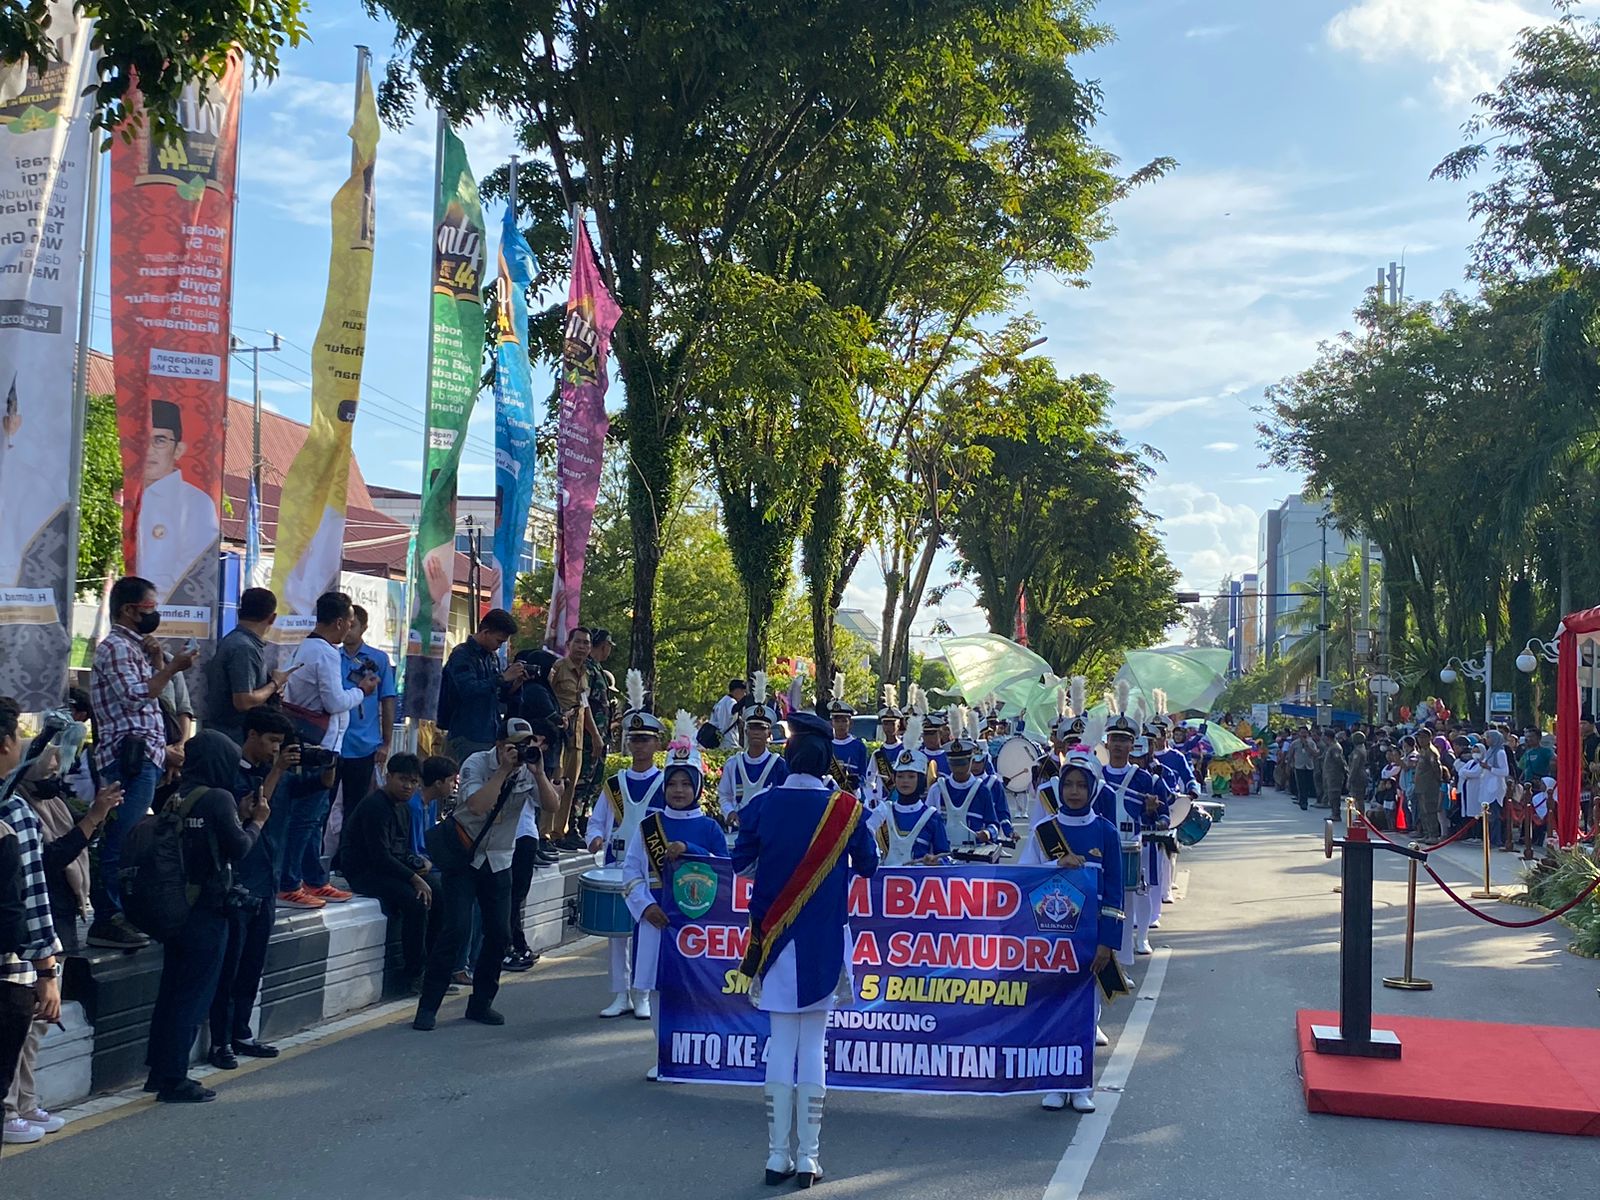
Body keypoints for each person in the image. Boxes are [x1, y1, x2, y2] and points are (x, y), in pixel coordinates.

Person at [732, 710, 878, 1188]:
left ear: (787, 755)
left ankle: (776, 1157)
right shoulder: (848, 809)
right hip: (823, 940)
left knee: (780, 1043)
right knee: (814, 1045)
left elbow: (741, 865)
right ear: (827, 759)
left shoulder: (761, 805)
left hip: (772, 940)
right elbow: (869, 866)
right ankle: (810, 1158)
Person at [143, 731, 269, 1103]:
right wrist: (257, 821)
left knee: (170, 992)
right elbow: (240, 848)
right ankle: (175, 1079)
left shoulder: (175, 795)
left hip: (174, 906)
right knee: (194, 996)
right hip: (207, 910)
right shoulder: (218, 797)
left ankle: (158, 1070)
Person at [413, 717, 559, 1032]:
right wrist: (504, 771)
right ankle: (428, 1006)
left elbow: (552, 805)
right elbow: (477, 805)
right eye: (515, 745)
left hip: (500, 860)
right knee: (457, 929)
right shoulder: (476, 763)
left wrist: (539, 772)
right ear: (499, 744)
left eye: (526, 745)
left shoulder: (529, 769)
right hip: (465, 857)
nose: (521, 751)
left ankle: (481, 1004)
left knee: (499, 934)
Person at [87, 575, 197, 948]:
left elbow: (154, 700)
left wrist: (156, 659)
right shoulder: (115, 647)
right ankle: (107, 916)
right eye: (150, 608)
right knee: (121, 837)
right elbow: (137, 697)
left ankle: (125, 912)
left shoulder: (135, 648)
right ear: (129, 611)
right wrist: (170, 667)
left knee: (135, 839)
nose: (156, 614)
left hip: (146, 756)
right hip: (126, 759)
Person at [1019, 748, 1124, 1113]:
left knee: (1084, 1012)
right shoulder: (1044, 831)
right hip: (1050, 938)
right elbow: (1023, 880)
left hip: (1089, 939)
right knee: (1052, 1009)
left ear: (1093, 789)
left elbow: (1114, 892)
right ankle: (1054, 1083)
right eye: (1069, 784)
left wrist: (1108, 943)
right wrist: (1053, 864)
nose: (1075, 791)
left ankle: (1080, 1085)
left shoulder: (1106, 833)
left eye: (1082, 785)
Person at [620, 730, 728, 1080]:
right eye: (673, 783)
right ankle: (664, 1055)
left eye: (686, 783)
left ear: (697, 787)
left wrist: (691, 851)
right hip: (657, 918)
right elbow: (631, 871)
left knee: (695, 989)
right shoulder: (649, 826)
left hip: (697, 922)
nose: (678, 790)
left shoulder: (710, 827)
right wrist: (644, 906)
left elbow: (725, 871)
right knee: (658, 988)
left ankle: (694, 1053)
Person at [207, 707, 305, 1069]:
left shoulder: (274, 772)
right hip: (237, 883)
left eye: (281, 744)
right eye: (272, 742)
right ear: (251, 736)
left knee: (252, 965)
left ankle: (242, 1032)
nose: (276, 750)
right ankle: (219, 1041)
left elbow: (305, 792)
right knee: (229, 967)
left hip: (266, 881)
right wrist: (277, 771)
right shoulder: (229, 772)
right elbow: (247, 813)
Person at [278, 591, 375, 908]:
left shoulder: (308, 646)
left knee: (313, 817)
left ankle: (313, 879)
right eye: (350, 621)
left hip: (313, 742)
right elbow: (334, 702)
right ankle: (290, 883)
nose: (350, 627)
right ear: (339, 622)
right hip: (319, 746)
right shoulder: (326, 653)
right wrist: (360, 691)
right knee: (306, 817)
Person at [0, 698, 63, 1148]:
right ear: (5, 744)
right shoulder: (16, 812)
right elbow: (32, 896)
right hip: (9, 967)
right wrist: (47, 970)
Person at [587, 696, 666, 1018]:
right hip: (617, 866)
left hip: (651, 870)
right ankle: (620, 994)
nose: (638, 745)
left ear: (657, 742)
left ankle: (643, 992)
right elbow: (597, 820)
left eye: (645, 739)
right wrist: (594, 837)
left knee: (645, 933)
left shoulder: (665, 783)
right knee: (617, 935)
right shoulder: (614, 784)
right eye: (634, 739)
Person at [342, 753, 435, 991]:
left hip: (388, 868)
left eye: (414, 782)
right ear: (388, 776)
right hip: (365, 872)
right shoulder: (375, 806)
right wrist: (414, 878)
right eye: (403, 779)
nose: (408, 786)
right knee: (416, 902)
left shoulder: (403, 808)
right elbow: (379, 856)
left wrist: (419, 864)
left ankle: (434, 967)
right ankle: (413, 973)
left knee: (440, 892)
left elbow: (400, 850)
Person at [331, 604, 399, 864]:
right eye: (346, 624)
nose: (349, 630)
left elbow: (388, 699)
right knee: (324, 803)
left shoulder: (377, 659)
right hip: (333, 741)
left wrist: (386, 742)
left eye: (354, 625)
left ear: (364, 628)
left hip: (363, 744)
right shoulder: (331, 656)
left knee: (356, 805)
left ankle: (346, 857)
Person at [136, 399, 220, 602]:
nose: (149, 449)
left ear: (179, 449)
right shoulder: (127, 497)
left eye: (160, 440)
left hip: (172, 615)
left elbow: (191, 574)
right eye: (142, 440)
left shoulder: (197, 503)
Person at [1099, 715, 1169, 956]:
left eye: (1124, 740)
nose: (1118, 745)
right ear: (1107, 743)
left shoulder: (1144, 779)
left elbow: (1163, 816)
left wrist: (1153, 813)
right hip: (1103, 848)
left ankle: (1126, 956)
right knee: (1104, 904)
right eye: (1114, 739)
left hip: (1132, 848)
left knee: (1131, 902)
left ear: (1132, 745)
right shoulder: (1096, 776)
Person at [204, 587, 296, 745]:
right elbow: (243, 701)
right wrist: (275, 684)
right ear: (272, 618)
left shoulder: (237, 641)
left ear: (240, 612)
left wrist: (268, 686)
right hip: (234, 737)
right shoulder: (244, 647)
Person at [438, 608, 525, 767]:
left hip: (490, 732)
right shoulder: (462, 655)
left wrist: (515, 684)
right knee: (470, 782)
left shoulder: (492, 658)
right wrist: (502, 678)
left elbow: (498, 696)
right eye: (499, 641)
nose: (499, 646)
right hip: (467, 732)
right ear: (485, 632)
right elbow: (468, 690)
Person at [548, 627, 605, 846]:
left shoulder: (586, 674)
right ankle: (544, 835)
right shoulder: (558, 668)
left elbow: (585, 706)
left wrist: (596, 736)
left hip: (578, 739)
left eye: (586, 644)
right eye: (578, 642)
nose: (582, 647)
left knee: (570, 788)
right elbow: (546, 697)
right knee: (555, 784)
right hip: (558, 737)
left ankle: (559, 835)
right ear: (568, 644)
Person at [717, 677, 788, 828]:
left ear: (769, 733)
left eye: (762, 728)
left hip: (770, 830)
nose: (757, 732)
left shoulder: (779, 765)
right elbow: (724, 795)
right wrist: (729, 812)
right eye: (753, 727)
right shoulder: (733, 764)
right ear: (746, 730)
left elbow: (786, 799)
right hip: (740, 831)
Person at [868, 747, 949, 866]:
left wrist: (935, 861)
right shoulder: (882, 811)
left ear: (921, 780)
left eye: (911, 776)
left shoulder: (932, 817)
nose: (905, 781)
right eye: (900, 776)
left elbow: (945, 858)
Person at [927, 727, 1001, 851]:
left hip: (974, 856)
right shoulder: (937, 789)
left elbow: (993, 824)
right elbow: (927, 823)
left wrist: (987, 833)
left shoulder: (982, 790)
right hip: (944, 855)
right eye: (954, 764)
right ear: (948, 763)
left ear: (971, 761)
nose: (959, 769)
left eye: (963, 764)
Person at [862, 688, 905, 810]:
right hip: (882, 803)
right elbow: (869, 780)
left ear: (898, 725)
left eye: (892, 724)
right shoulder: (878, 754)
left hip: (901, 801)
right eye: (886, 723)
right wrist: (873, 798)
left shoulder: (905, 750)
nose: (889, 727)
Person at [826, 695, 868, 794]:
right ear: (831, 723)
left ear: (851, 723)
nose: (840, 725)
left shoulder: (859, 746)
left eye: (844, 721)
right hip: (829, 793)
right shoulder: (826, 745)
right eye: (837, 721)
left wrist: (856, 781)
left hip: (852, 794)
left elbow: (864, 775)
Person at [709, 679, 748, 750]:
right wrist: (746, 698)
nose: (744, 694)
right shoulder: (730, 701)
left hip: (720, 742)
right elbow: (734, 709)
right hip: (729, 742)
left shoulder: (721, 702)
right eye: (743, 691)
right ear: (737, 690)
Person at [1288, 727, 1318, 812]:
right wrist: (1288, 765)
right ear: (1299, 734)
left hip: (1309, 766)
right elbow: (1290, 754)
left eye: (1305, 733)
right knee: (1301, 785)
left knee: (1308, 785)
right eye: (1302, 733)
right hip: (1298, 766)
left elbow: (1315, 754)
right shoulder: (1295, 743)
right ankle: (1303, 802)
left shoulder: (1311, 743)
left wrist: (1307, 745)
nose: (1303, 735)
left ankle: (1304, 799)